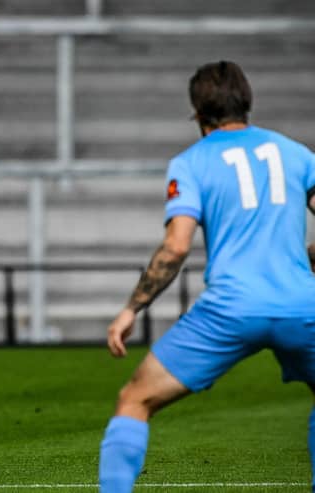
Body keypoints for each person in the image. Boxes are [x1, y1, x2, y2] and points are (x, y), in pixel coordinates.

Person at [98, 60, 315, 492]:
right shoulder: (296, 153)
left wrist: (131, 309)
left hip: (230, 308)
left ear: (197, 114)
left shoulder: (191, 162)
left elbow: (177, 246)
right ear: (247, 102)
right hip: (303, 304)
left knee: (135, 400)